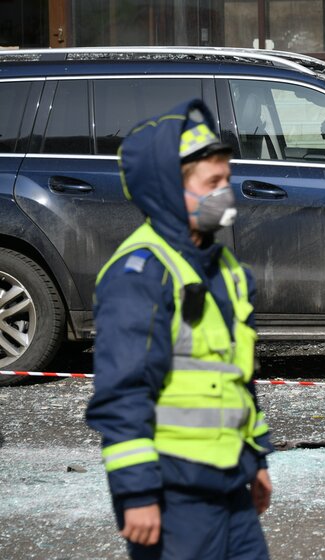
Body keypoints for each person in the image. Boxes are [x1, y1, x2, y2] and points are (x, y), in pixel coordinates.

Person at [86, 99, 273, 559]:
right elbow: (123, 392)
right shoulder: (141, 275)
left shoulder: (224, 268)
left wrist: (257, 458)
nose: (225, 194)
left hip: (230, 484)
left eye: (226, 180)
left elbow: (235, 377)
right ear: (172, 191)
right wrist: (137, 495)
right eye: (213, 183)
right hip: (174, 497)